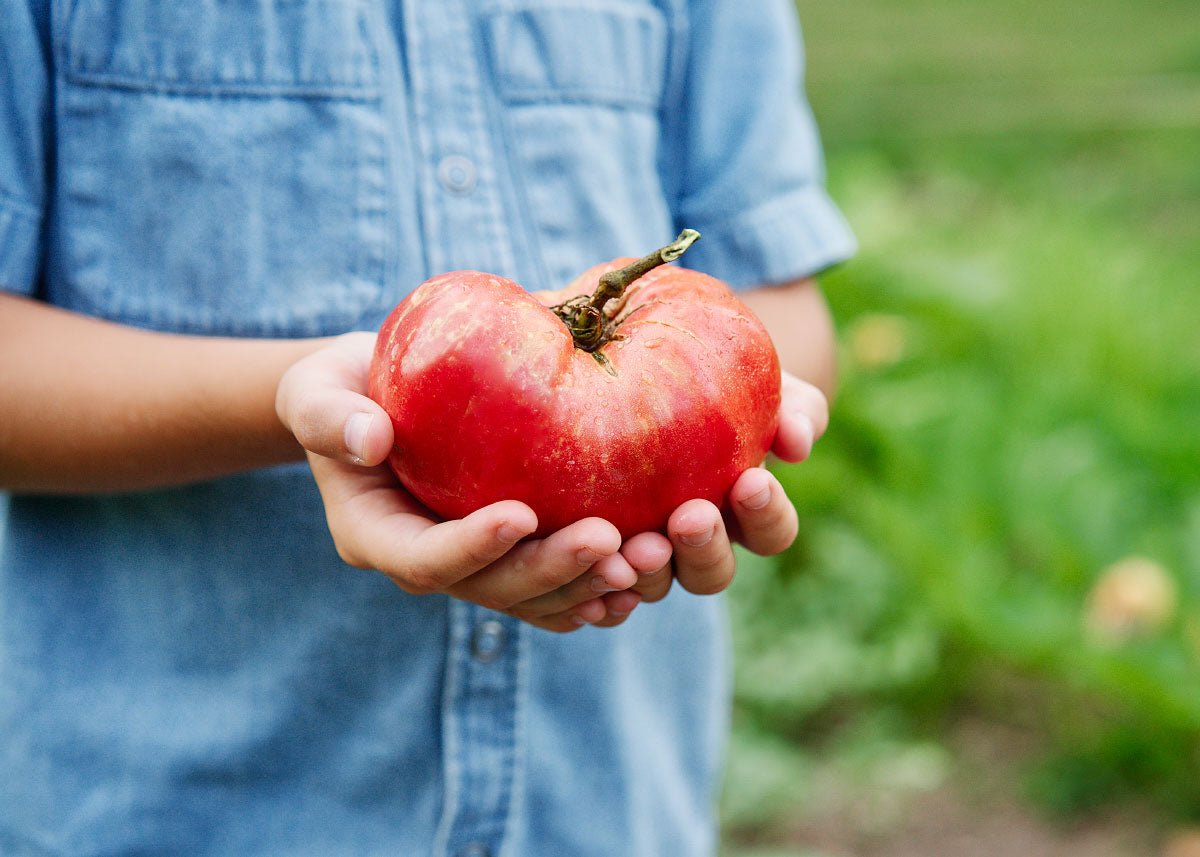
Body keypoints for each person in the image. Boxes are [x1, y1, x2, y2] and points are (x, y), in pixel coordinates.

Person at [0, 1, 855, 854]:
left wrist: (733, 411)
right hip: (186, 811)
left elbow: (782, 308)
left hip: (604, 803)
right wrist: (321, 406)